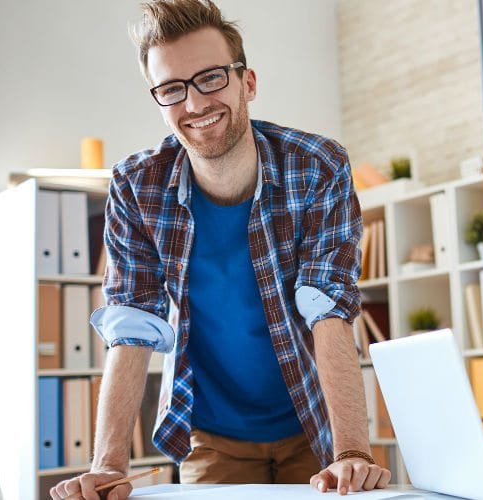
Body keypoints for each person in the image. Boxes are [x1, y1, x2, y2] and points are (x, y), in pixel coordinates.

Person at [49, 1, 388, 498]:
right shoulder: (136, 186)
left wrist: (352, 452)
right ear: (159, 102)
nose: (194, 104)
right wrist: (107, 466)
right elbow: (132, 323)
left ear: (247, 82)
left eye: (210, 78)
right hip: (211, 435)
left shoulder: (318, 166)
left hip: (315, 426)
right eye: (172, 89)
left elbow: (328, 307)